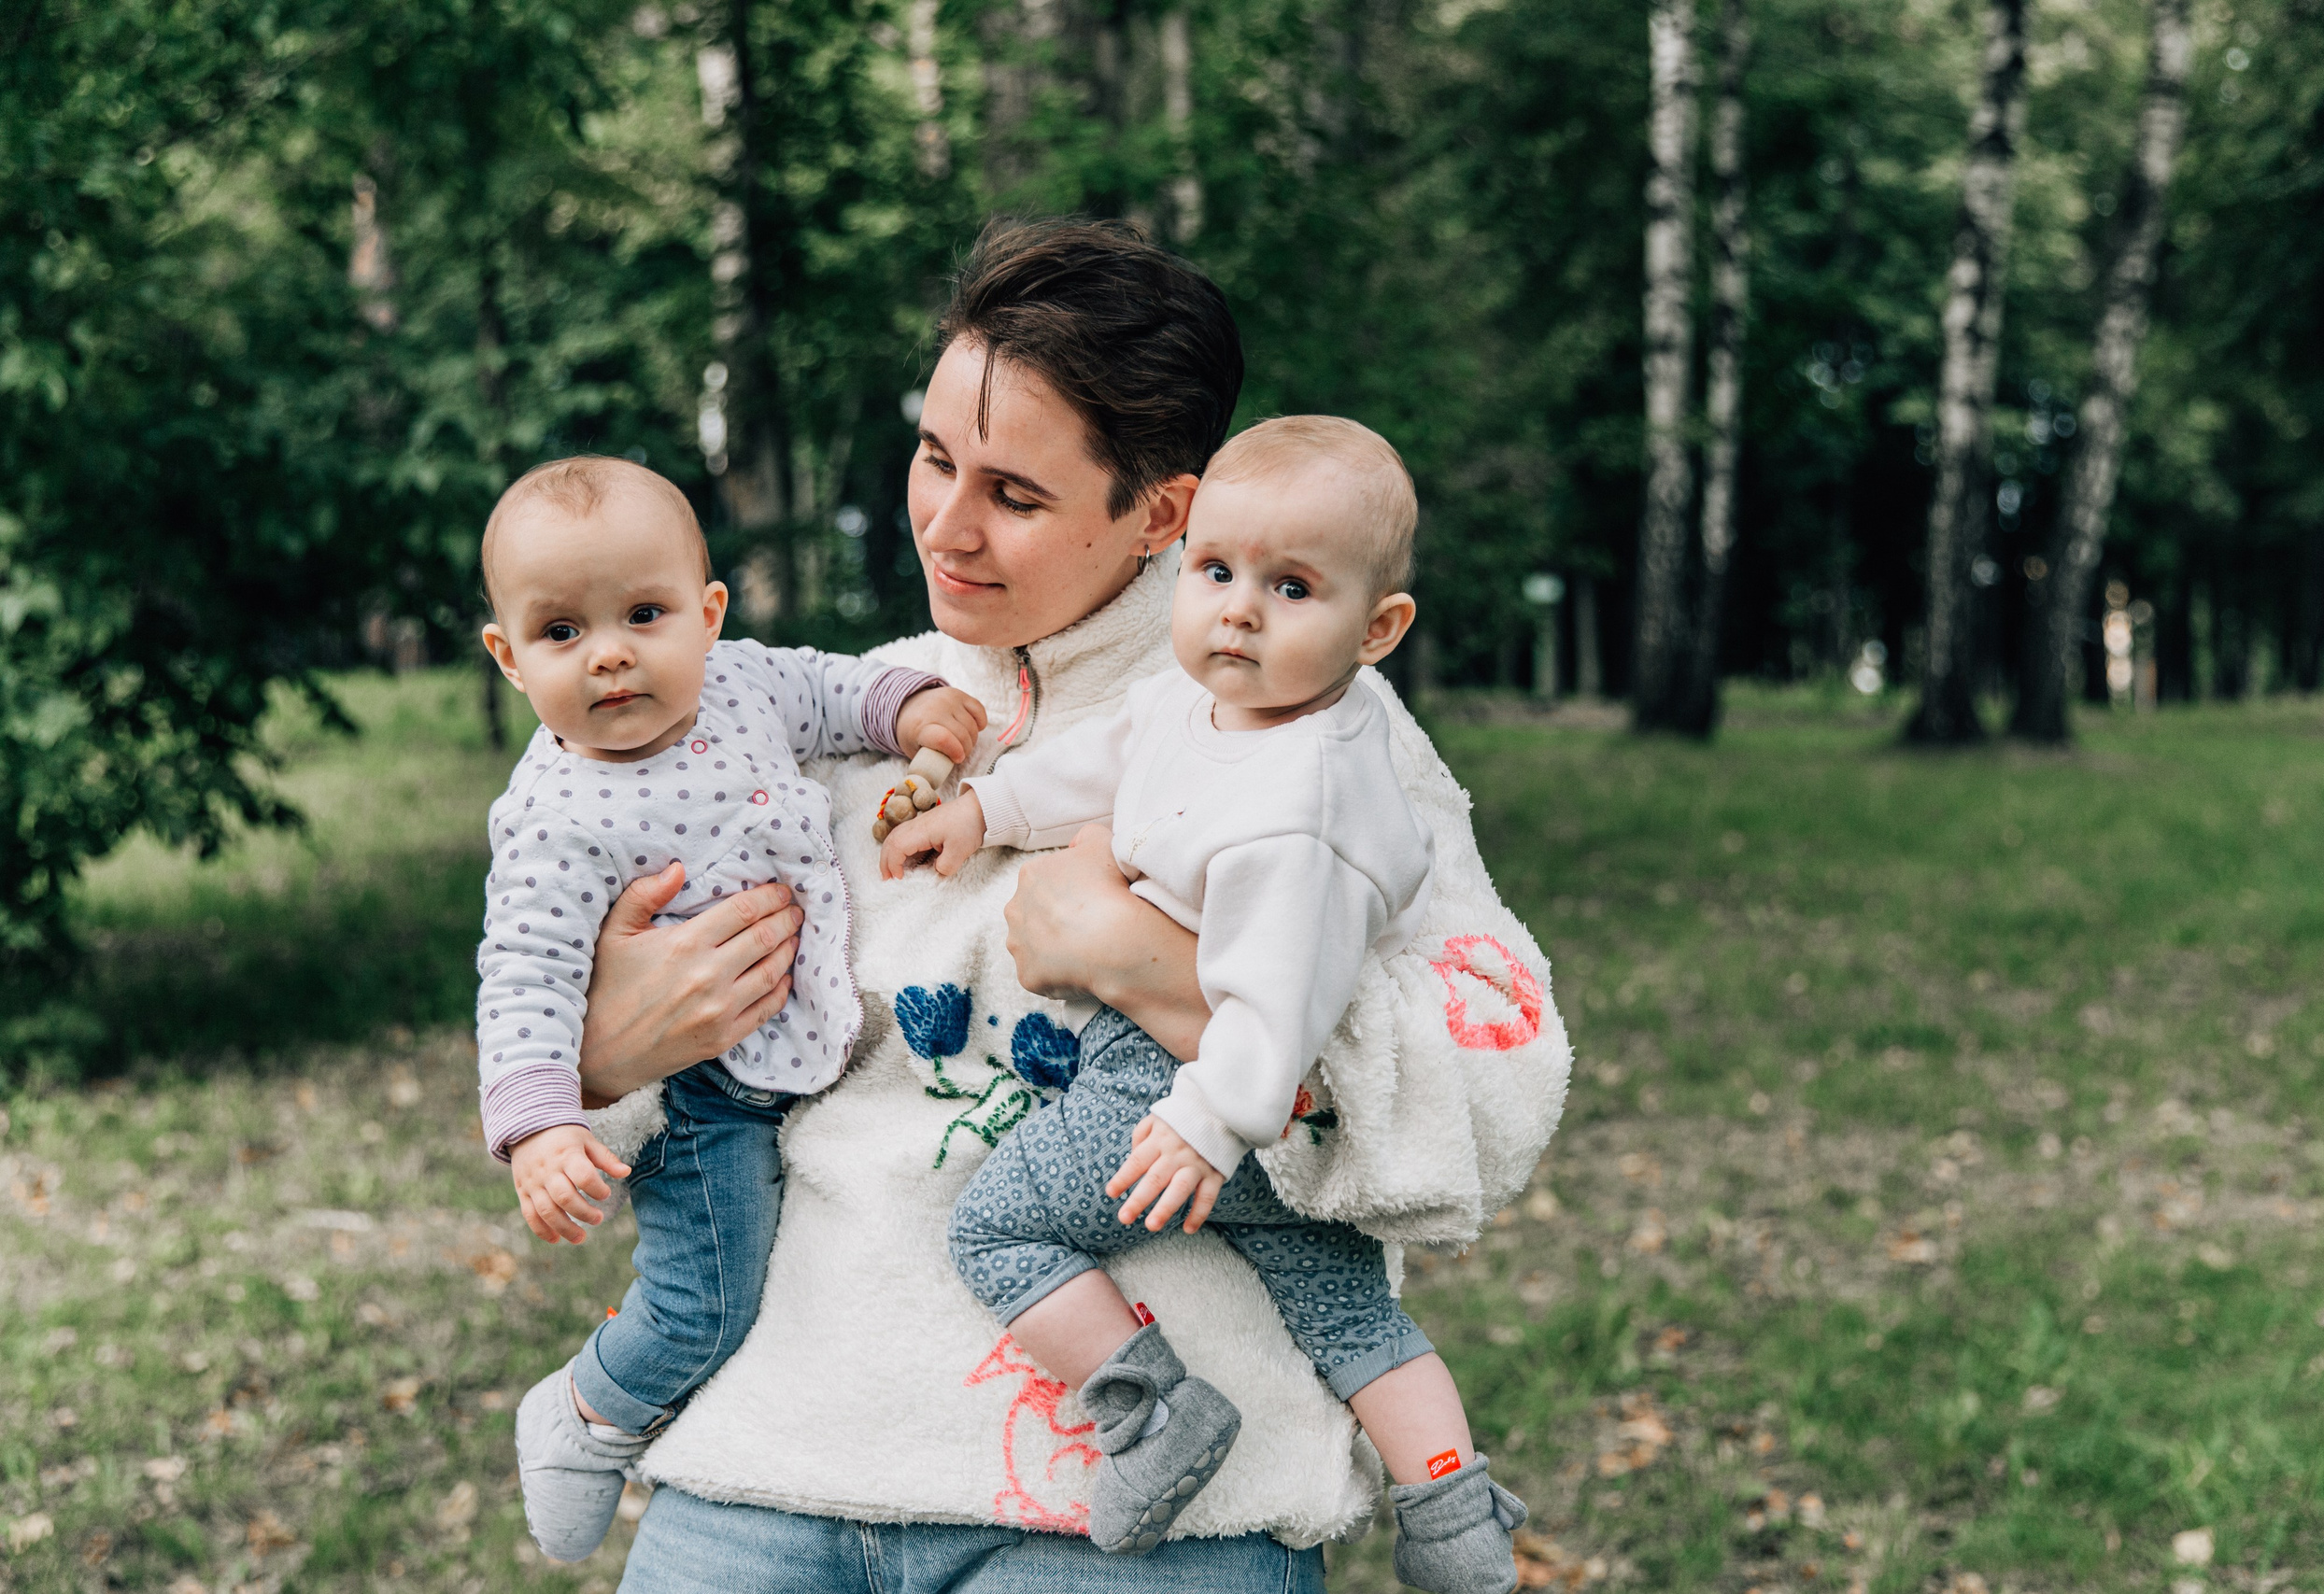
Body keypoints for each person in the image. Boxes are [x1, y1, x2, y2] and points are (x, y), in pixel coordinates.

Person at [563, 219, 1571, 1594]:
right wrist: (604, 1051)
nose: (944, 524)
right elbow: (576, 1044)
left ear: (1162, 511)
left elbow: (1496, 1091)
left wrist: (1158, 970)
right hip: (778, 1461)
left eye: (1015, 495)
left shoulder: (1319, 735)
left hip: (1152, 1515)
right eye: (932, 459)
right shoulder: (820, 717)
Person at [883, 415, 1521, 1593]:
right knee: (1347, 1316)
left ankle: (1155, 1415)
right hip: (1254, 1115)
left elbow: (1279, 1006)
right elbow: (1105, 762)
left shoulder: (1306, 805)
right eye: (1217, 572)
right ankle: (1450, 1504)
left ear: (1377, 630)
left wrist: (1204, 1124)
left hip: (1184, 1088)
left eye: (1290, 588)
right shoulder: (1209, 702)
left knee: (1001, 1227)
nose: (1236, 610)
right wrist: (983, 811)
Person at [470, 455, 985, 1559]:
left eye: (643, 614)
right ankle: (587, 1412)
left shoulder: (742, 680)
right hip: (700, 1098)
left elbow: (830, 690)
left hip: (794, 1056)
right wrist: (540, 1123)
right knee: (707, 1299)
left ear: (707, 616)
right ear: (509, 659)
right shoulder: (557, 817)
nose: (609, 653)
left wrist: (909, 704)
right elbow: (523, 978)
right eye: (562, 634)